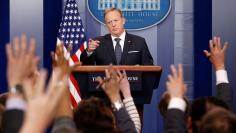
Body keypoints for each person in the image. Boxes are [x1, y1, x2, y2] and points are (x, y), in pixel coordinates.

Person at [80, 8, 153, 65]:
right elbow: (85, 66)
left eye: (116, 20)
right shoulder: (97, 43)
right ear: (106, 25)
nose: (113, 24)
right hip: (107, 84)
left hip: (132, 84)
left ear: (123, 20)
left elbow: (149, 69)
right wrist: (89, 51)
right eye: (109, 22)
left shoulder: (139, 42)